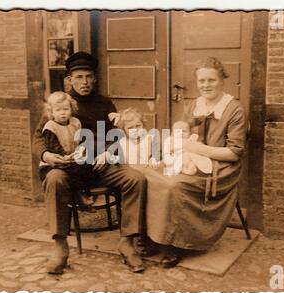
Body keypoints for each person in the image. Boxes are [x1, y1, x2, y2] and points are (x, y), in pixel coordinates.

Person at [32, 52, 147, 274]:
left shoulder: (105, 103)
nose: (84, 82)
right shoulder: (60, 104)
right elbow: (39, 137)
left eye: (88, 77)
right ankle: (60, 247)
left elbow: (119, 133)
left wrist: (109, 151)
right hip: (69, 168)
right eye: (79, 77)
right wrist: (46, 155)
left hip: (100, 167)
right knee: (54, 178)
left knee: (136, 178)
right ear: (70, 79)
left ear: (94, 78)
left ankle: (127, 242)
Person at [143, 56, 247, 268]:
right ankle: (153, 237)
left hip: (219, 166)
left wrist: (197, 149)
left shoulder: (234, 109)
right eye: (202, 81)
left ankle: (175, 244)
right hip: (188, 158)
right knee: (150, 175)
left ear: (222, 80)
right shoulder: (194, 106)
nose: (206, 85)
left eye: (211, 80)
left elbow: (235, 153)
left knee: (174, 184)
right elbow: (183, 135)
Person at [38, 91, 94, 209]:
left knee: (88, 166)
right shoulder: (50, 127)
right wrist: (65, 157)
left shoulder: (75, 122)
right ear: (51, 112)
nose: (62, 113)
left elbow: (81, 139)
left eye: (65, 109)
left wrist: (81, 150)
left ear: (71, 109)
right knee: (73, 171)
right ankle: (78, 196)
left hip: (72, 159)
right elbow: (53, 147)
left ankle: (83, 192)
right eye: (58, 110)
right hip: (55, 161)